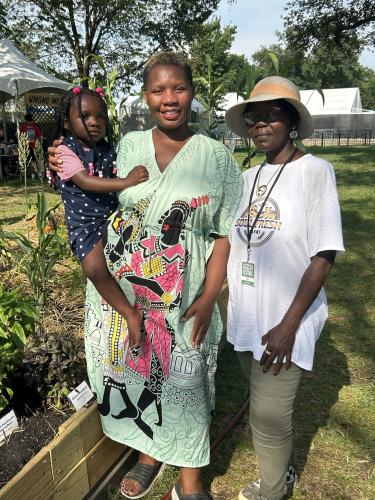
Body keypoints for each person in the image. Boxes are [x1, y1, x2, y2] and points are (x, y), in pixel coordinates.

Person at [49, 52, 243, 499]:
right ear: (146, 95)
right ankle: (147, 454)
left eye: (178, 88)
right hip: (127, 295)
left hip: (186, 290)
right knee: (140, 373)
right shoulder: (129, 145)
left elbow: (222, 233)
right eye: (158, 90)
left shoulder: (216, 157)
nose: (169, 99)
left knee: (187, 379)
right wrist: (61, 158)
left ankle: (190, 479)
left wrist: (212, 292)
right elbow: (88, 179)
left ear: (192, 94)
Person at [225, 76, 345, 500]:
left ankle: (272, 491)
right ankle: (282, 472)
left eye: (271, 116)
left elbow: (323, 255)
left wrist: (289, 324)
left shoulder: (315, 172)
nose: (260, 125)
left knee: (269, 416)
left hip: (285, 320)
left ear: (292, 121)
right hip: (245, 317)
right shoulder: (247, 177)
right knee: (262, 407)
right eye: (254, 118)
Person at [52, 87, 149, 347]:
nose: (94, 122)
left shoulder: (107, 149)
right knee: (94, 268)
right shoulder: (64, 151)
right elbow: (85, 181)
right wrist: (126, 182)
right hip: (85, 224)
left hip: (111, 216)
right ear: (66, 122)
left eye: (100, 116)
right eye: (85, 116)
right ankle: (129, 313)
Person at [19, 112, 43, 178]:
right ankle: (40, 174)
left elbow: (20, 136)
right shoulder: (36, 125)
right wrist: (40, 144)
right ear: (31, 118)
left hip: (27, 146)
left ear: (25, 119)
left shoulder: (23, 126)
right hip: (36, 146)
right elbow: (40, 136)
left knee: (30, 160)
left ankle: (33, 176)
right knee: (37, 160)